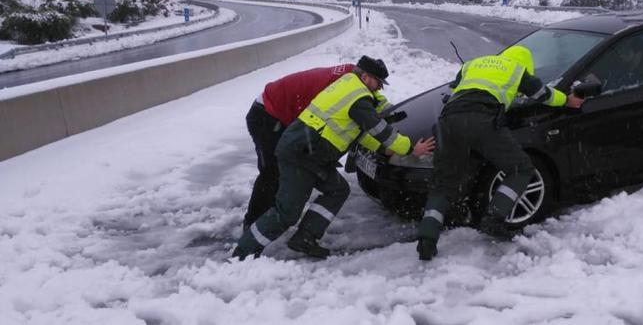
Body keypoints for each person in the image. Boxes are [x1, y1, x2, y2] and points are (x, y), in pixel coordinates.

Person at [233, 56, 436, 260]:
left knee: (338, 189)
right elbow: (377, 129)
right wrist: (409, 148)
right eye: (378, 83)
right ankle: (243, 253)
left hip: (311, 152)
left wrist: (384, 150)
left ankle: (305, 237)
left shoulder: (349, 84)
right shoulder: (359, 98)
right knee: (287, 212)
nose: (380, 88)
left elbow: (358, 131)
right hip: (301, 152)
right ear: (365, 77)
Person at [415, 45, 584, 261]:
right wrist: (567, 100)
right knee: (520, 168)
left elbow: (457, 85)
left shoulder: (473, 64)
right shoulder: (517, 70)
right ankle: (494, 218)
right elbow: (543, 94)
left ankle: (427, 240)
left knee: (443, 184)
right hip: (482, 120)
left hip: (448, 120)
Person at [242, 62, 356, 232]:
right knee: (272, 172)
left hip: (281, 113)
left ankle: (272, 219)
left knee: (290, 167)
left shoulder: (350, 78)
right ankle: (252, 226)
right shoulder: (343, 88)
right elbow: (316, 125)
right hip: (267, 114)